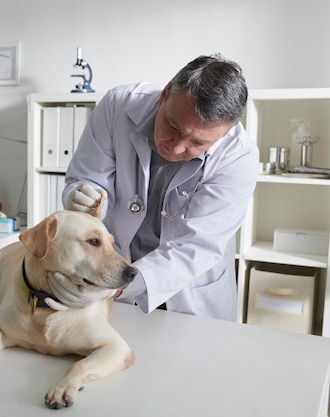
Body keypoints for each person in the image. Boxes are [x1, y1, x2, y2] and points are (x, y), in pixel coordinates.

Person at [47, 54, 259, 320]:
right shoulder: (117, 106)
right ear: (164, 94)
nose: (177, 147)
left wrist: (114, 288)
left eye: (199, 143)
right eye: (172, 126)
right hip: (110, 271)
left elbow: (194, 247)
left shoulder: (238, 158)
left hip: (188, 296)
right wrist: (80, 193)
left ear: (223, 133)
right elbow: (86, 177)